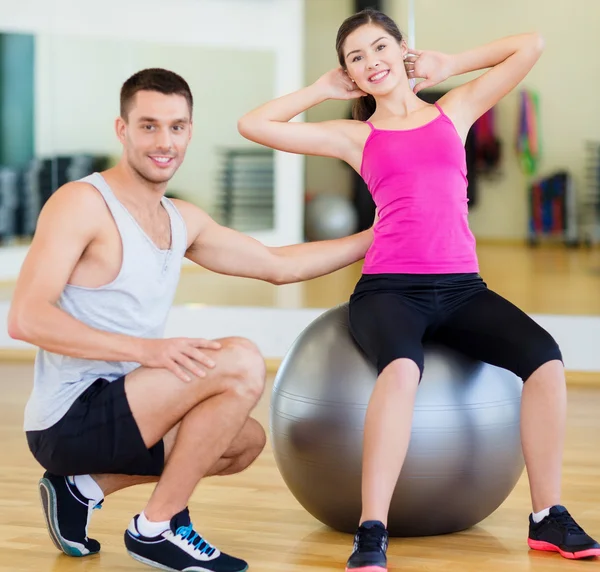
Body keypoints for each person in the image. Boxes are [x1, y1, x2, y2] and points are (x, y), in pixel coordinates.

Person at [237, 8, 600, 572]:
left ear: (402, 50)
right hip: (388, 291)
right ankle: (372, 529)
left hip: (462, 289)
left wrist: (451, 62)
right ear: (351, 76)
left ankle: (546, 515)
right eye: (356, 58)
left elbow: (531, 43)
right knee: (403, 370)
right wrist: (318, 89)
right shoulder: (356, 135)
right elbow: (254, 124)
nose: (370, 62)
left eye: (379, 48)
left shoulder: (453, 112)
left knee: (546, 360)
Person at [7, 67, 374, 572]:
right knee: (241, 361)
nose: (164, 142)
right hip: (68, 418)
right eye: (149, 125)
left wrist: (383, 232)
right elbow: (25, 318)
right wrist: (146, 351)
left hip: (130, 405)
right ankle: (156, 529)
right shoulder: (82, 204)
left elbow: (278, 265)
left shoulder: (181, 219)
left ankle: (80, 489)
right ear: (122, 129)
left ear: (190, 132)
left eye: (176, 127)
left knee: (242, 442)